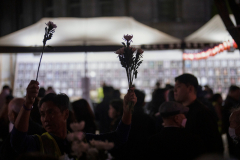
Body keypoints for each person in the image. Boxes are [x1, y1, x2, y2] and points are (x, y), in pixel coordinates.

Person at [10, 80, 137, 159]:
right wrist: (27, 104)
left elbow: (119, 138)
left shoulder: (82, 140)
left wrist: (127, 111)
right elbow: (17, 142)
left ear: (65, 114)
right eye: (42, 114)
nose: (45, 119)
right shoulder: (39, 142)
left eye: (51, 112)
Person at [174, 73, 223, 154]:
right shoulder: (178, 111)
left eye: (178, 87)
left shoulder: (202, 113)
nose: (174, 90)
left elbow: (214, 144)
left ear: (190, 89)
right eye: (174, 87)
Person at [222, 85, 240, 159]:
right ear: (231, 92)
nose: (239, 94)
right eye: (238, 92)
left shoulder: (233, 101)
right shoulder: (228, 103)